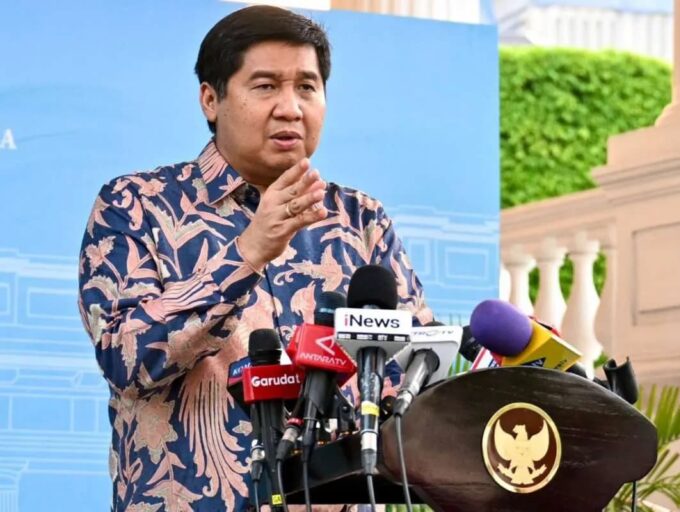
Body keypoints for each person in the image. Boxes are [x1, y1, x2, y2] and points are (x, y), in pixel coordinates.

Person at [77, 5, 432, 512]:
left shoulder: (360, 219)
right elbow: (126, 358)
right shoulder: (136, 205)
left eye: (306, 87)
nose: (290, 108)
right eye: (266, 86)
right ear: (210, 99)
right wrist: (247, 254)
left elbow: (413, 377)